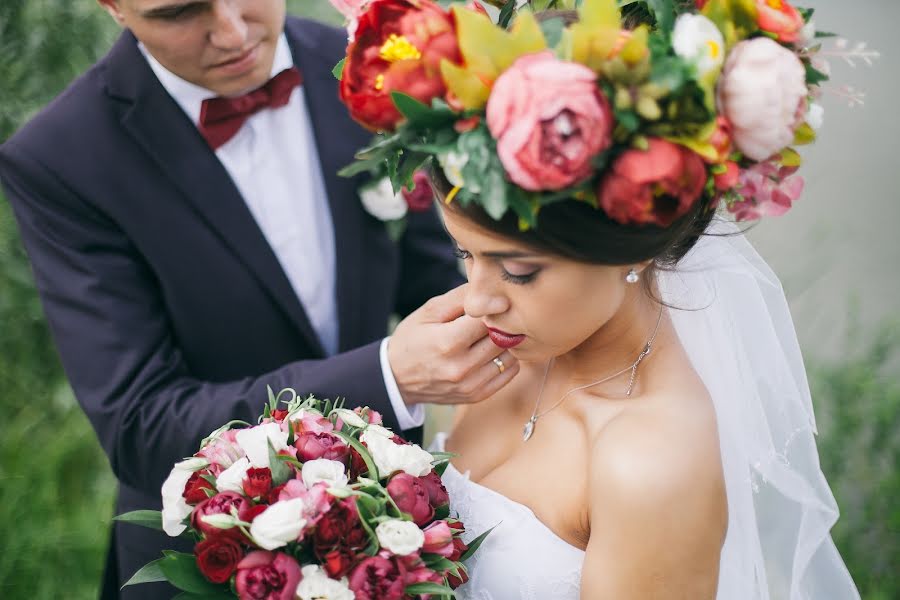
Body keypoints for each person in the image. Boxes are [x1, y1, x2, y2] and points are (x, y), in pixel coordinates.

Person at [333, 0, 860, 597]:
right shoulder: (499, 355)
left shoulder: (651, 463)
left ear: (630, 247)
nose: (478, 302)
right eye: (466, 256)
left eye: (519, 271)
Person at [0, 1, 521, 598]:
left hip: (396, 543)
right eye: (179, 12)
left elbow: (438, 270)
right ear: (114, 7)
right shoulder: (61, 158)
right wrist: (386, 376)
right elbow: (141, 425)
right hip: (210, 563)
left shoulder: (370, 69)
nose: (232, 32)